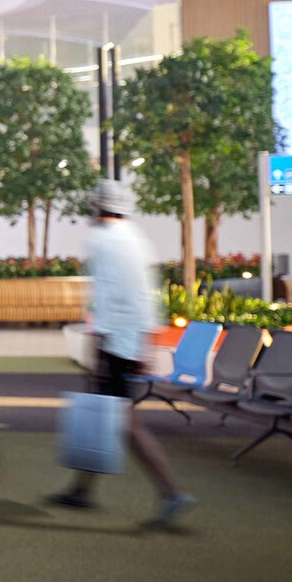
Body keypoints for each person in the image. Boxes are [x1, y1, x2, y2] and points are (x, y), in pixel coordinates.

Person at [50, 179, 195, 527]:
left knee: (125, 423)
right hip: (131, 343)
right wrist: (144, 343)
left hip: (114, 344)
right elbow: (146, 295)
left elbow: (104, 299)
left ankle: (172, 493)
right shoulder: (135, 239)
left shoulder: (101, 240)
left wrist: (97, 353)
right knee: (105, 415)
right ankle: (82, 489)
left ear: (98, 206)